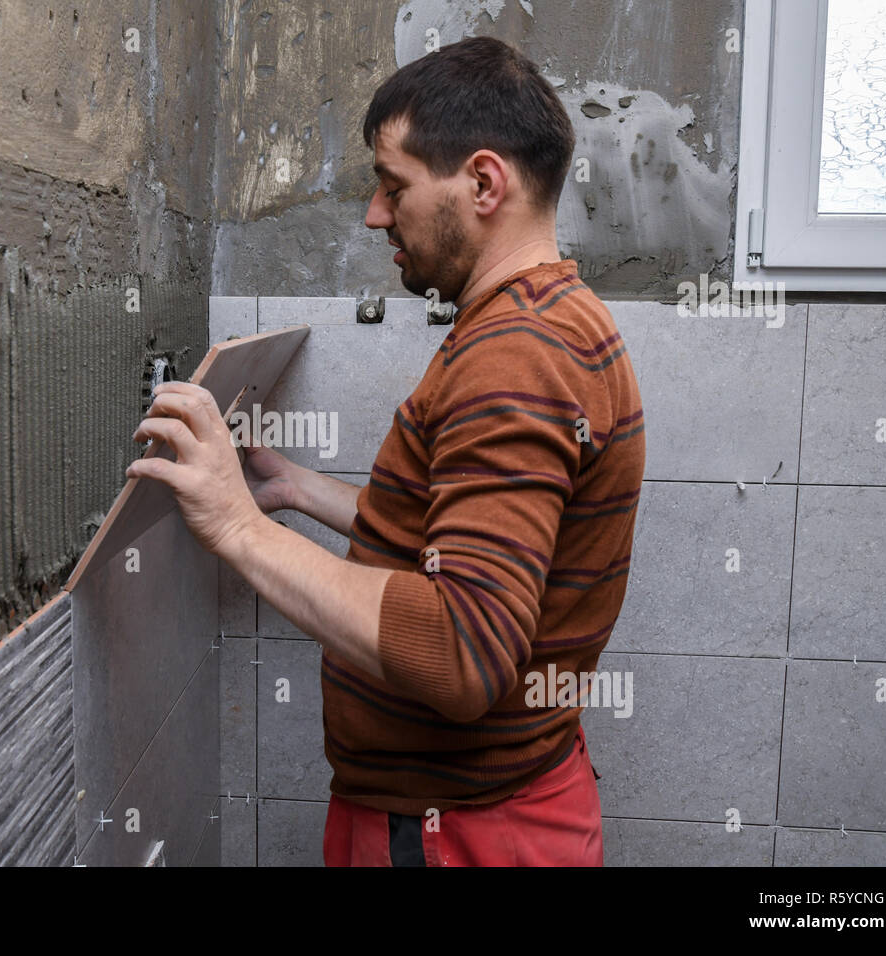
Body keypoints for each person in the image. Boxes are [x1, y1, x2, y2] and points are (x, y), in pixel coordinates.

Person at [128, 35, 645, 867]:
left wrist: (235, 526)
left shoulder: (515, 355)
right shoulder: (560, 318)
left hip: (454, 833)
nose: (375, 215)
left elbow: (461, 652)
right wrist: (299, 491)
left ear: (483, 182)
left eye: (392, 186)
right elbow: (467, 544)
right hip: (498, 808)